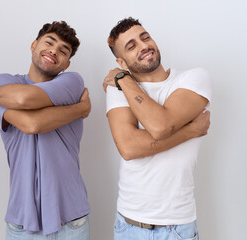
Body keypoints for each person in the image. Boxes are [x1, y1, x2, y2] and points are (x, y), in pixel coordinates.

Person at [103, 17, 211, 240]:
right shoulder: (118, 88)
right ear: (121, 63)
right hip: (128, 225)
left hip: (177, 228)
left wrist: (123, 79)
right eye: (131, 46)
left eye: (145, 37)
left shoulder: (192, 78)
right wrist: (189, 131)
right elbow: (129, 148)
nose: (144, 46)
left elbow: (161, 126)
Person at [0, 21, 91, 240]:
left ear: (66, 64)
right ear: (34, 45)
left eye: (63, 50)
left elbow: (25, 104)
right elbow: (31, 123)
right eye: (49, 42)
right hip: (22, 225)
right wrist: (80, 108)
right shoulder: (5, 81)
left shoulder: (72, 82)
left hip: (72, 222)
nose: (54, 50)